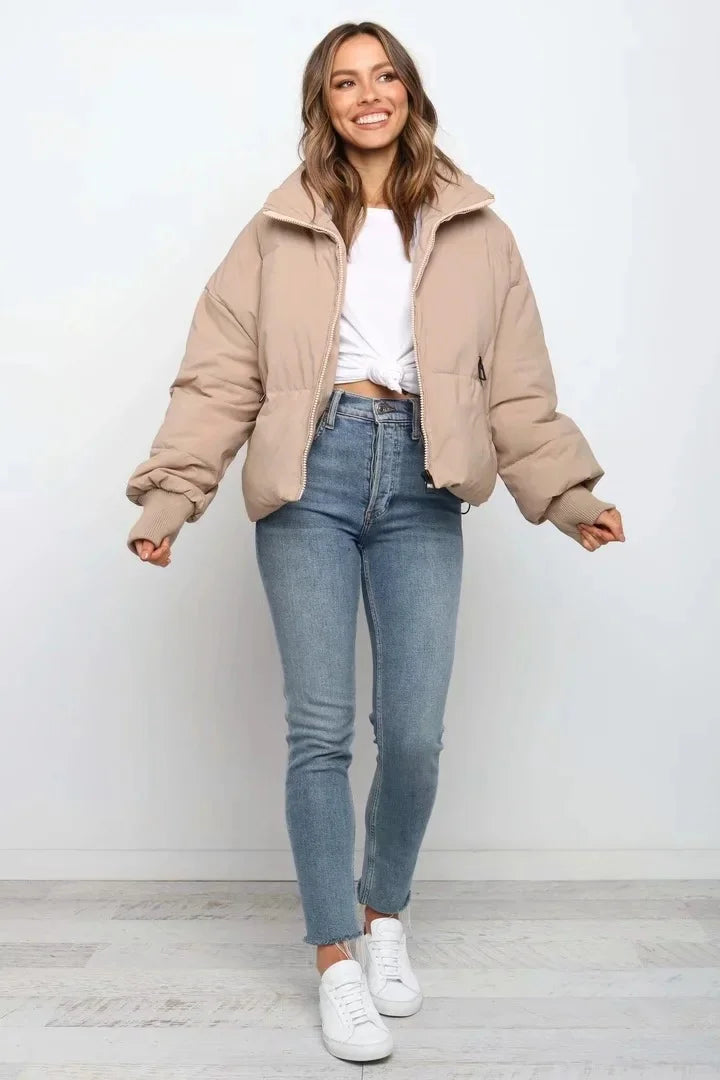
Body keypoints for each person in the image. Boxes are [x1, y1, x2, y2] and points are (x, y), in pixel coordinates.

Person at [125, 20, 625, 1063]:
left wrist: (568, 493)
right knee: (318, 733)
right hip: (309, 474)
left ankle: (383, 910)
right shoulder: (279, 229)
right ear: (324, 103)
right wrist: (171, 498)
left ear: (408, 92)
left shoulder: (477, 228)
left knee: (416, 732)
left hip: (424, 481)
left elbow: (517, 384)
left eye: (384, 75)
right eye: (346, 81)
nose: (368, 95)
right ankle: (336, 959)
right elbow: (220, 374)